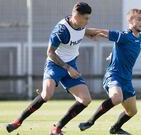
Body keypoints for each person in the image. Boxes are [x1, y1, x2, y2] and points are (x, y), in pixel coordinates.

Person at [6, 2, 100, 135]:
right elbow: (50, 52)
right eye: (86, 18)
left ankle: (57, 128)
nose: (87, 21)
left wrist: (96, 33)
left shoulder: (80, 25)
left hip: (71, 65)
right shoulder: (61, 30)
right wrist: (67, 68)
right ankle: (18, 121)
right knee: (46, 94)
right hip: (55, 64)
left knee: (86, 100)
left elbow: (84, 31)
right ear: (76, 16)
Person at [78, 8, 141, 135]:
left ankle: (115, 128)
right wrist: (81, 31)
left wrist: (112, 54)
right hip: (113, 75)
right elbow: (102, 32)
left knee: (132, 111)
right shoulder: (124, 35)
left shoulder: (140, 38)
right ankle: (90, 121)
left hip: (127, 79)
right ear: (130, 22)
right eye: (139, 19)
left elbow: (122, 48)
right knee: (116, 97)